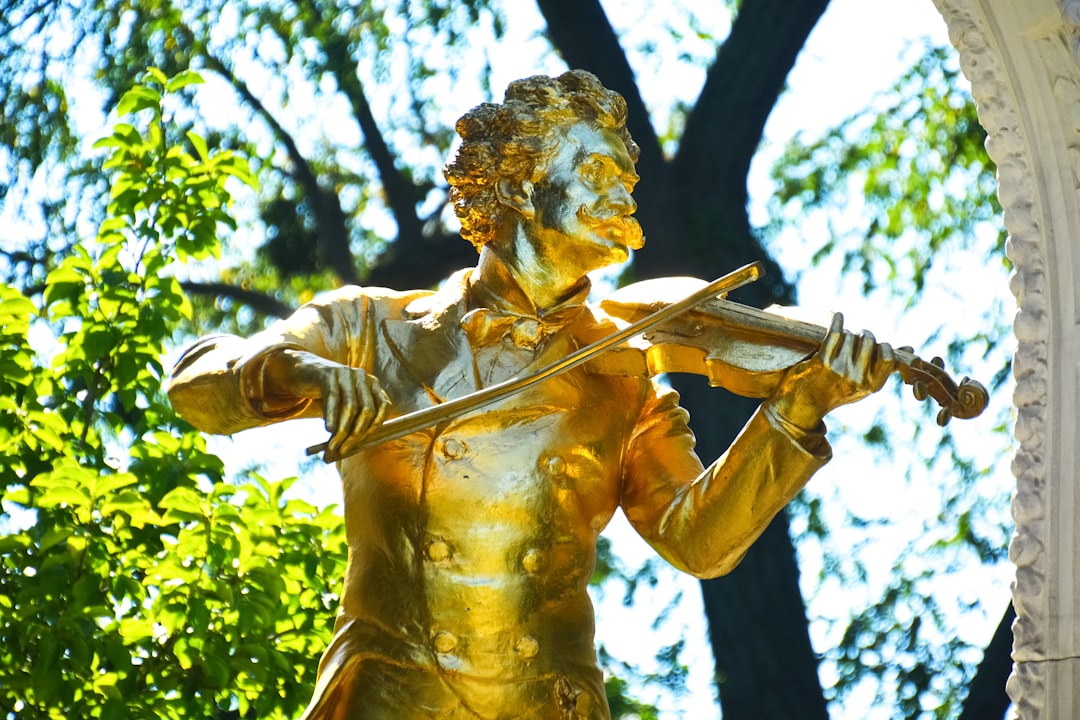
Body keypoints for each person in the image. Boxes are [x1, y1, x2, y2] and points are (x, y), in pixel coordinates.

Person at [166, 70, 894, 720]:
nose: (624, 198)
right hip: (390, 700)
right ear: (517, 185)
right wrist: (298, 372)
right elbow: (196, 388)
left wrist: (796, 410)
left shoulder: (624, 370)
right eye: (600, 172)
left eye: (628, 182)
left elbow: (697, 540)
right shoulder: (370, 328)